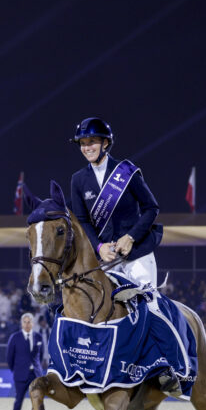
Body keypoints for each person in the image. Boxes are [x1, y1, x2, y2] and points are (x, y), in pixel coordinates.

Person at [68, 117, 163, 289]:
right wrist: (99, 247)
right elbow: (82, 221)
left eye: (92, 142)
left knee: (148, 303)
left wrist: (131, 237)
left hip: (137, 252)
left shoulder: (126, 170)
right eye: (82, 143)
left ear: (105, 143)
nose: (87, 148)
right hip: (105, 258)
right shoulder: (77, 180)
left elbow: (151, 208)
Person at [5, 313, 45, 410]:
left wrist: (37, 369)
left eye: (29, 322)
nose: (27, 324)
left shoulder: (38, 337)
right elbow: (9, 358)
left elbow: (41, 356)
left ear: (33, 323)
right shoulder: (14, 337)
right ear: (21, 323)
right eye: (25, 322)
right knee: (18, 402)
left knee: (38, 403)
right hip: (21, 375)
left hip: (35, 375)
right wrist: (17, 370)